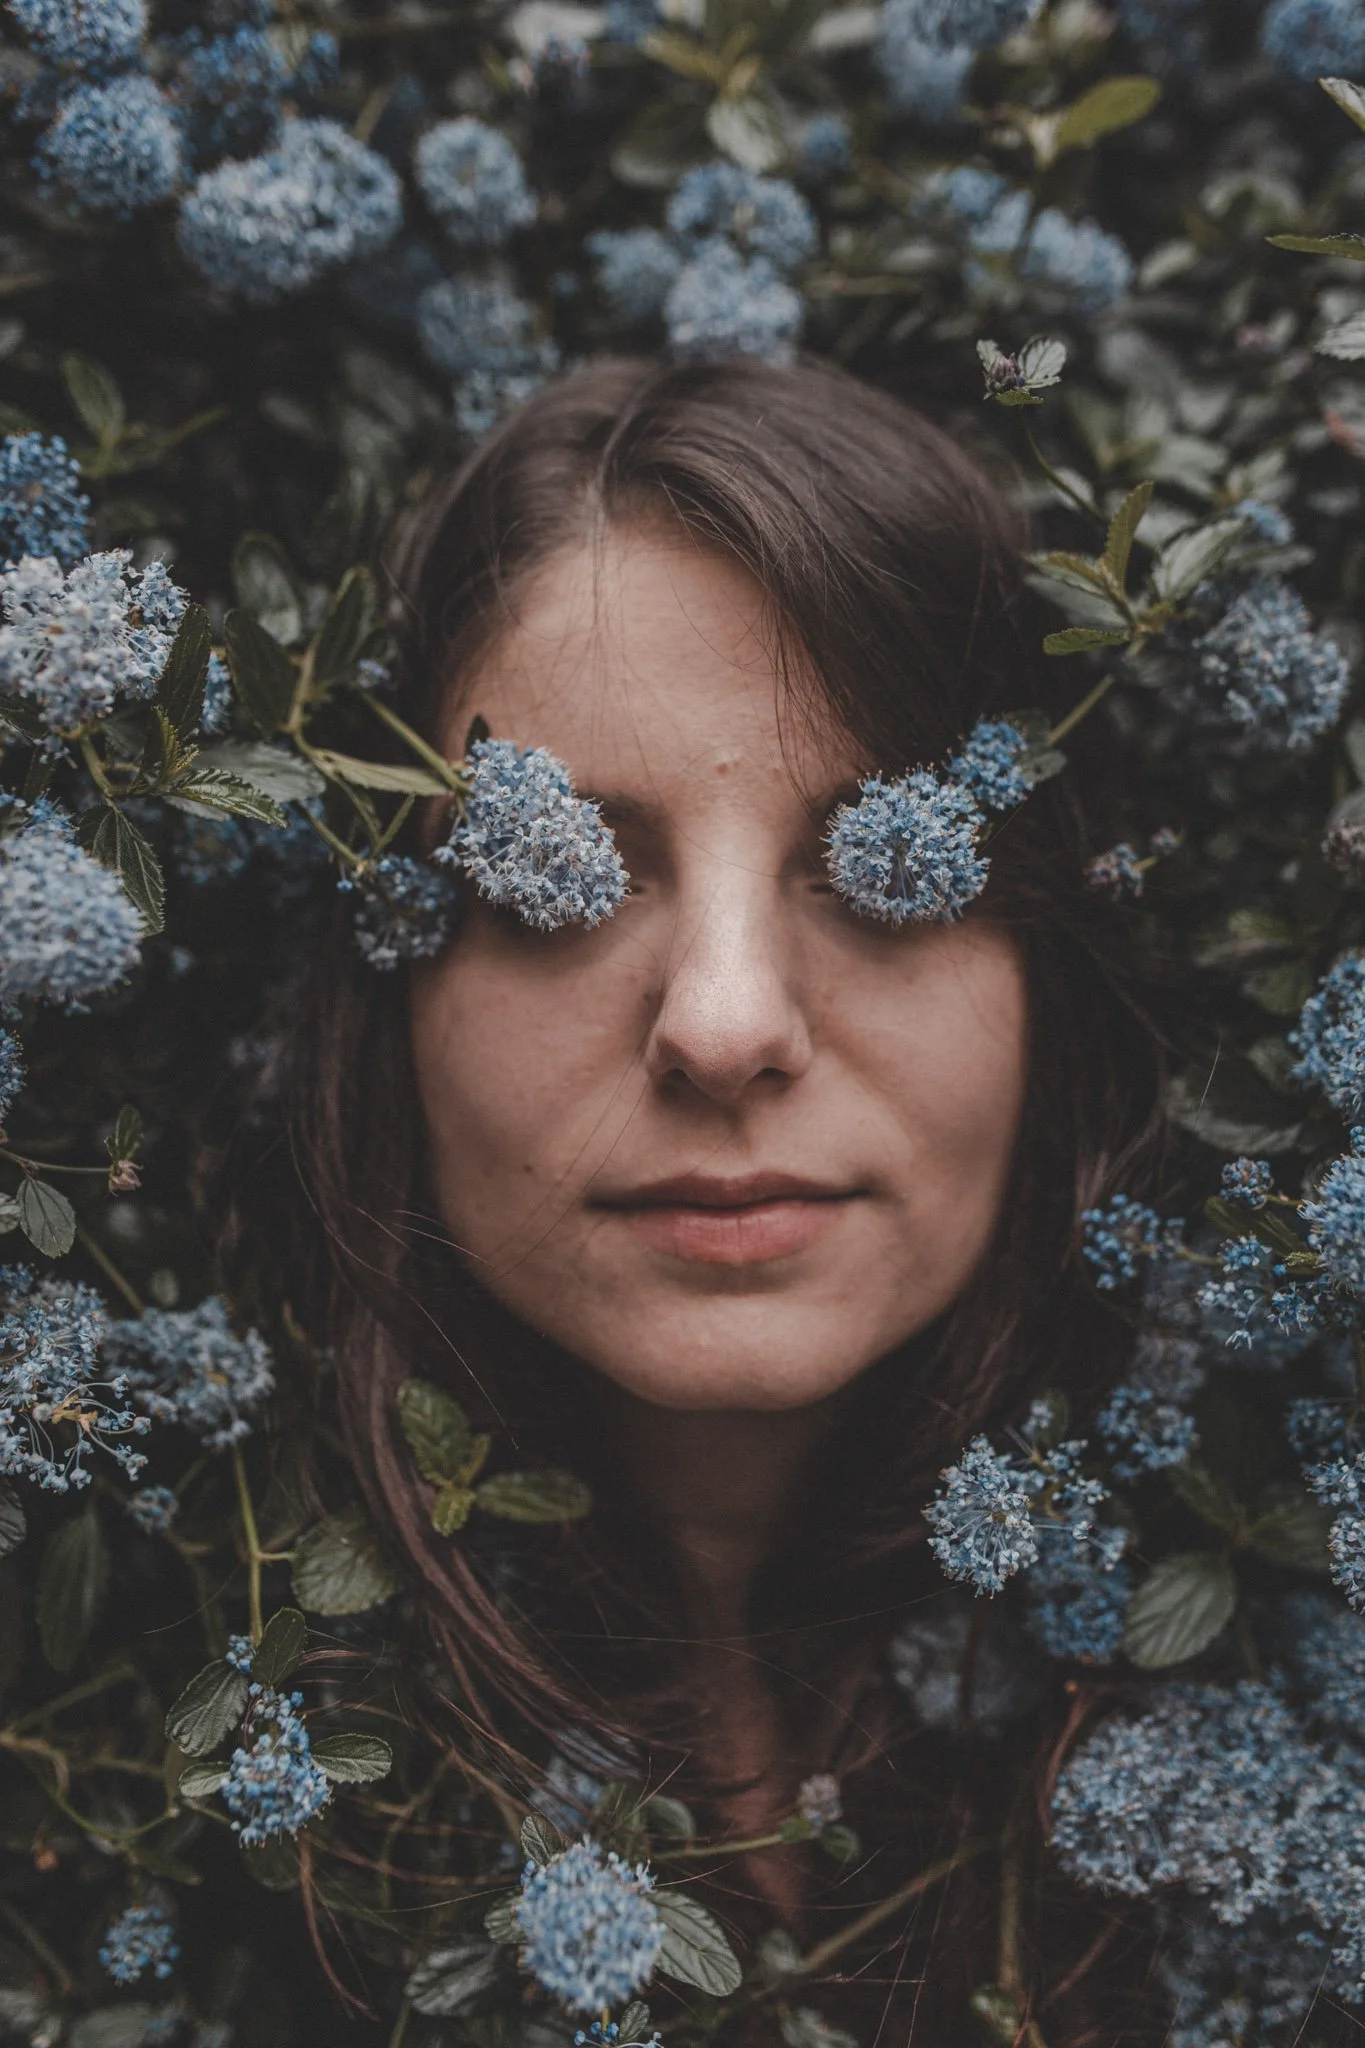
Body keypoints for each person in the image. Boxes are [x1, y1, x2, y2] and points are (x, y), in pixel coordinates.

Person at [248, 354, 1170, 2042]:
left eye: (889, 866)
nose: (727, 1024)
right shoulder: (155, 1809)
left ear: (1049, 959)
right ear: (387, 989)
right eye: (557, 880)